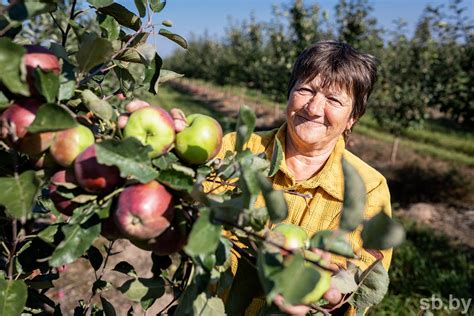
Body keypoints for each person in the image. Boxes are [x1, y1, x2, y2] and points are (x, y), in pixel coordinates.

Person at [171, 40, 392, 315]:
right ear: (289, 94)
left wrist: (328, 296)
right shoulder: (236, 151)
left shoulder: (369, 189)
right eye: (305, 90)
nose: (313, 108)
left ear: (352, 118)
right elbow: (180, 209)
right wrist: (169, 153)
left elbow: (356, 284)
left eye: (334, 99)